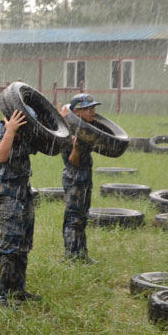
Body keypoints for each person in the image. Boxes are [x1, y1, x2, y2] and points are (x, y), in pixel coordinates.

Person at [0, 108, 41, 309]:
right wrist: (10, 130)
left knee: (24, 243)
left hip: (24, 194)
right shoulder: (1, 134)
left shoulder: (25, 137)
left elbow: (49, 145)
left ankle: (17, 289)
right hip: (7, 195)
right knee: (9, 245)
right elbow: (1, 155)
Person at [59, 94, 99, 264]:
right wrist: (76, 147)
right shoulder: (69, 131)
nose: (93, 112)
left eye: (93, 108)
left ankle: (81, 253)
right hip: (74, 178)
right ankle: (71, 255)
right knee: (73, 217)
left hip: (85, 176)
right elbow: (73, 162)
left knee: (83, 216)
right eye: (88, 109)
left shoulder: (86, 128)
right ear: (76, 111)